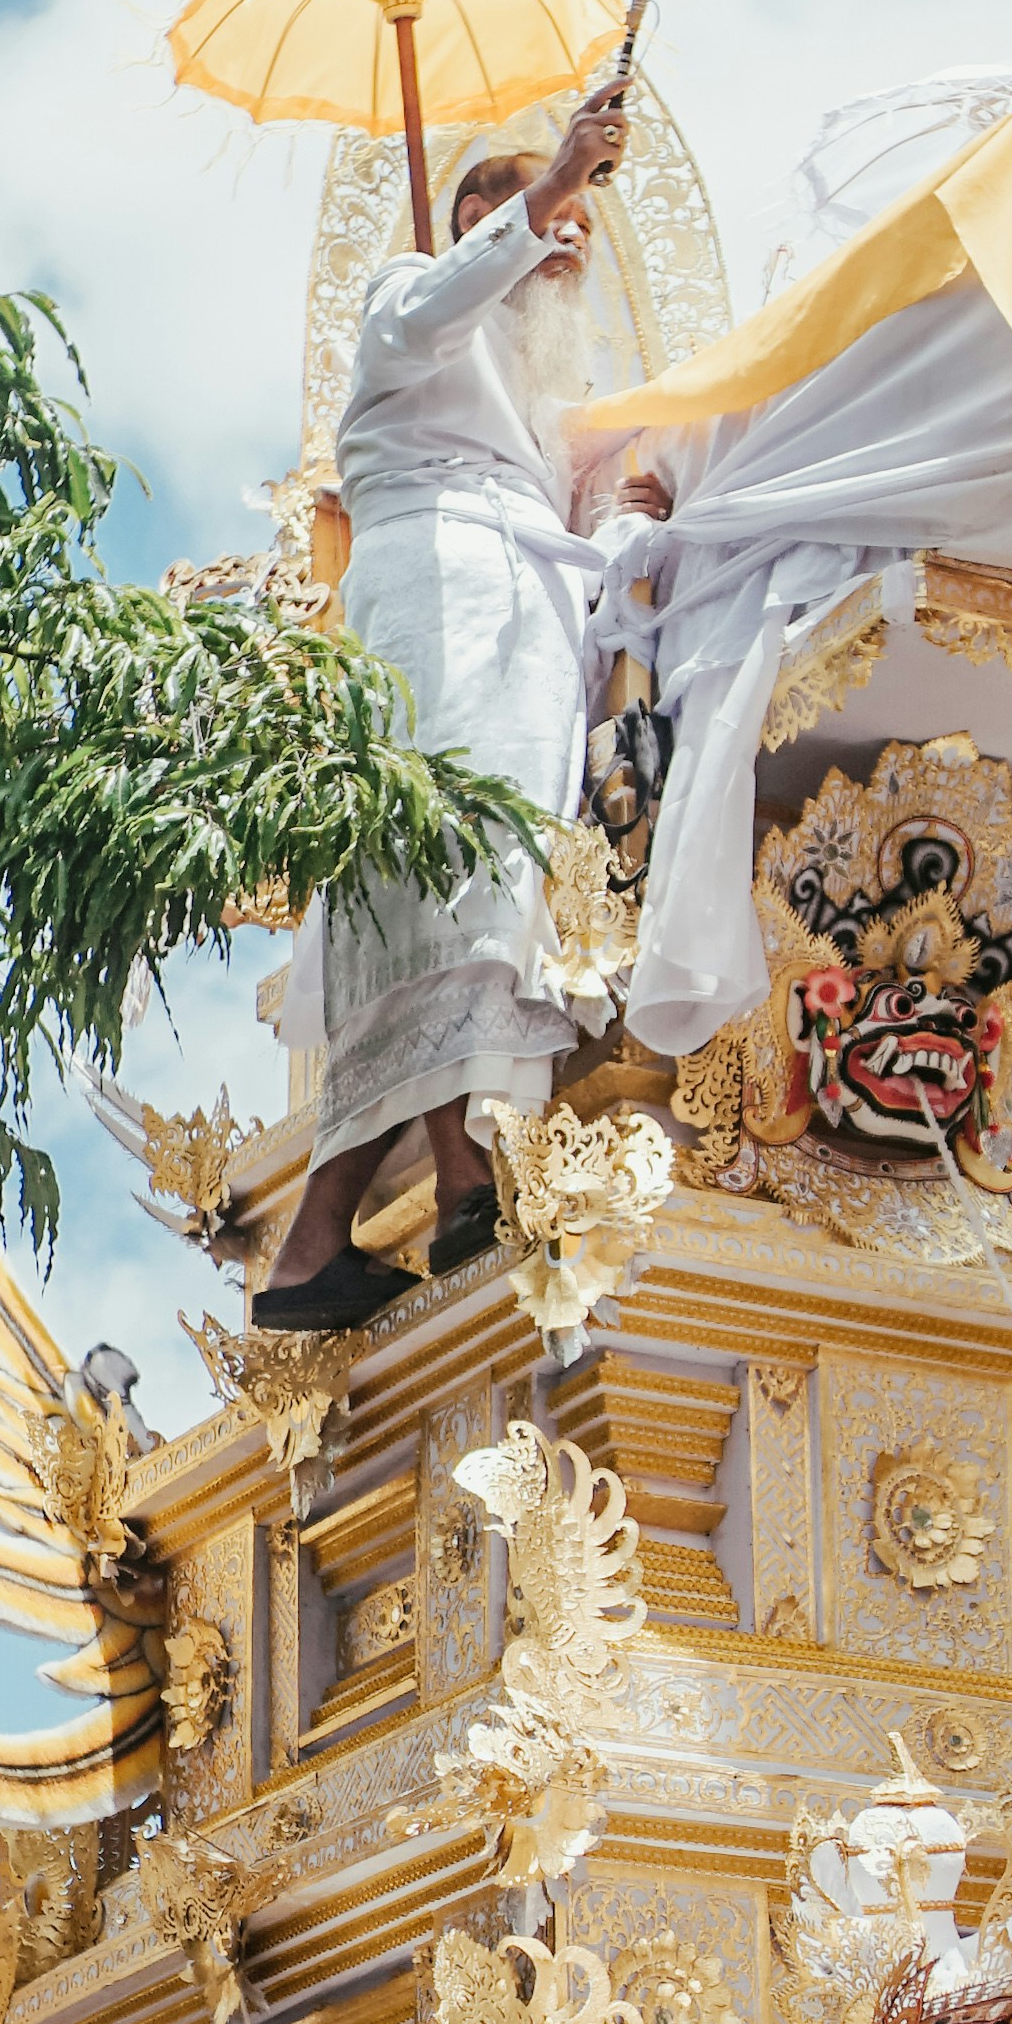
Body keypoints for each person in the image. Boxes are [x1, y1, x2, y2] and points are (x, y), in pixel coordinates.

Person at [257, 82, 656, 1332]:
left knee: (481, 881)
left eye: (582, 216)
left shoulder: (542, 400)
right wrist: (542, 195)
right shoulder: (411, 305)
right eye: (520, 200)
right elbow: (431, 305)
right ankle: (474, 1172)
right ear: (472, 222)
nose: (565, 228)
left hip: (525, 611)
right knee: (463, 868)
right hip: (440, 593)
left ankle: (322, 1242)